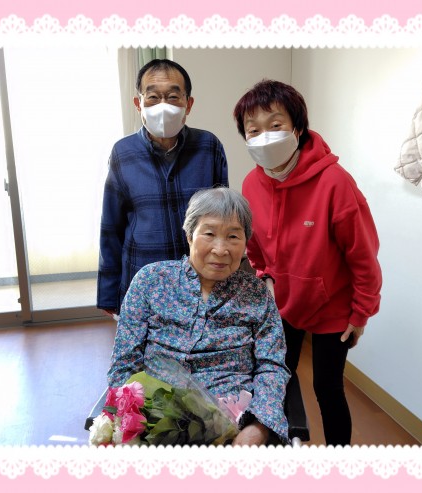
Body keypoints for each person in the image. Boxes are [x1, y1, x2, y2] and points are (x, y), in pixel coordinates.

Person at [233, 79, 382, 446]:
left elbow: (363, 255)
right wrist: (264, 275)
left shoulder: (335, 183)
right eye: (254, 130)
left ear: (297, 128)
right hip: (284, 302)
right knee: (276, 378)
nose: (265, 137)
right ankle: (282, 449)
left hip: (334, 307)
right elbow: (254, 243)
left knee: (327, 389)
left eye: (275, 125)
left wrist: (361, 313)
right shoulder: (251, 184)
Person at [107, 187, 290, 445]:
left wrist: (258, 428)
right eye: (209, 234)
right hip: (154, 422)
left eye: (233, 236)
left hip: (232, 427)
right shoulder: (150, 281)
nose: (220, 249)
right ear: (189, 235)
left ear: (245, 242)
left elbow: (272, 366)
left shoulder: (256, 294)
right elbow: (124, 363)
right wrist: (129, 421)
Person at [97, 59, 228, 318]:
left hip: (200, 282)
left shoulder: (208, 146)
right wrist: (109, 294)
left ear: (188, 104)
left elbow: (224, 220)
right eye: (153, 97)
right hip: (143, 283)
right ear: (139, 104)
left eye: (173, 96)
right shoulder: (123, 152)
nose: (163, 105)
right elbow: (111, 227)